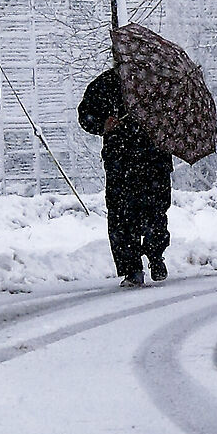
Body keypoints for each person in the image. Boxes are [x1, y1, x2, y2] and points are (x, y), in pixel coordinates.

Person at [79, 68, 173, 286]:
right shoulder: (107, 85)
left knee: (151, 213)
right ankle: (135, 267)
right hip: (126, 162)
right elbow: (86, 115)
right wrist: (103, 124)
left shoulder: (155, 84)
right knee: (125, 216)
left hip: (148, 160)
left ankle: (153, 256)